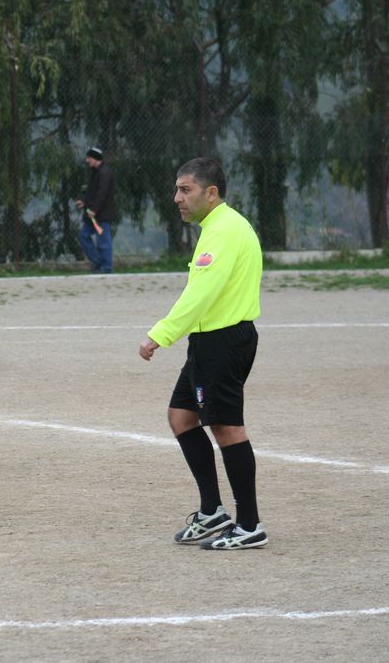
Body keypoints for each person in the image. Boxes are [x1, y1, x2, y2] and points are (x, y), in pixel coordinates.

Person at [138, 157, 266, 549]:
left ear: (211, 193)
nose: (177, 198)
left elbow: (201, 293)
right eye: (177, 189)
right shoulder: (218, 226)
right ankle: (212, 511)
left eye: (185, 189)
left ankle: (249, 525)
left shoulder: (224, 230)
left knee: (227, 429)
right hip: (207, 342)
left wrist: (161, 334)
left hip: (223, 342)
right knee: (181, 416)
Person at [75, 146, 116, 273]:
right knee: (83, 236)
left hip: (101, 214)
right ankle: (98, 262)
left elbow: (102, 194)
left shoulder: (104, 172)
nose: (87, 160)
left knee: (103, 241)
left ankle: (106, 267)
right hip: (92, 214)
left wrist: (94, 209)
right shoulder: (96, 172)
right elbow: (93, 193)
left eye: (89, 158)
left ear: (95, 158)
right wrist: (85, 203)